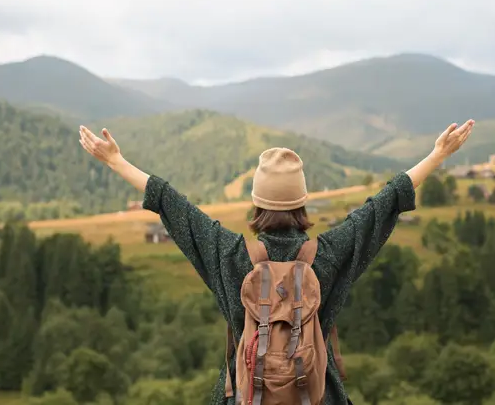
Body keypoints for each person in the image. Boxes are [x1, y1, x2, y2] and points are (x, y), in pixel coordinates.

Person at [78, 119, 474, 404]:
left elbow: (172, 204)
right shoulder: (331, 252)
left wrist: (115, 161)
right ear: (301, 202)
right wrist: (438, 154)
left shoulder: (229, 254)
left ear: (257, 203)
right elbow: (385, 203)